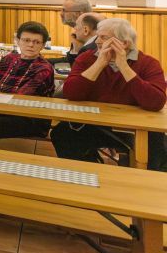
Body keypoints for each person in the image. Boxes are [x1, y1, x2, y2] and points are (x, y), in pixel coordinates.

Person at [53, 18, 167, 168]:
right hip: (94, 123)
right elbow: (71, 93)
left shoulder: (148, 63)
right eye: (97, 36)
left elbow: (156, 102)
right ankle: (91, 172)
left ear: (124, 43)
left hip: (135, 126)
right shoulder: (87, 58)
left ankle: (145, 181)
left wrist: (124, 67)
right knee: (62, 134)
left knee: (157, 148)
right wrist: (99, 64)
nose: (97, 41)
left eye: (103, 37)